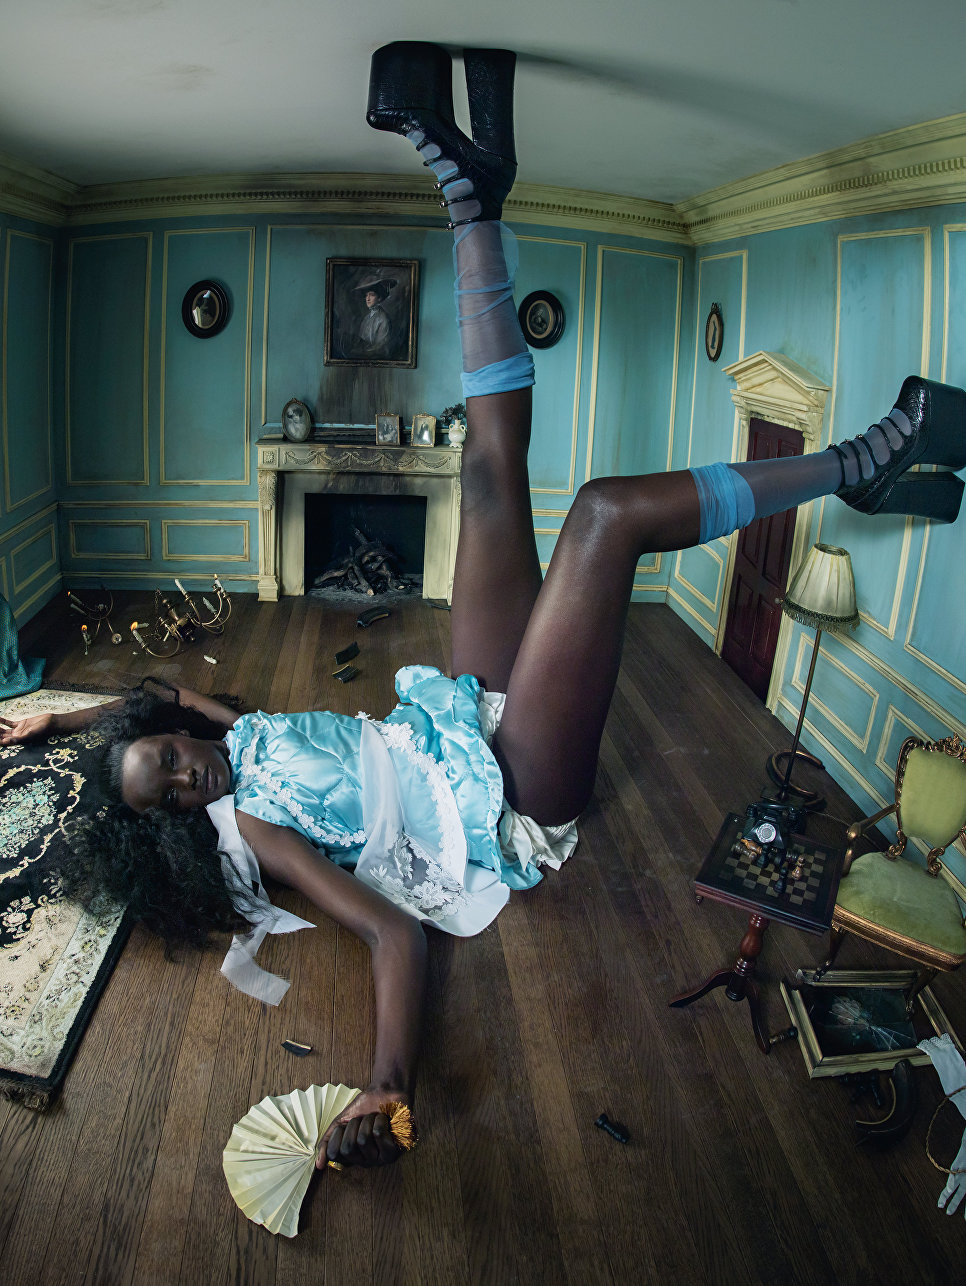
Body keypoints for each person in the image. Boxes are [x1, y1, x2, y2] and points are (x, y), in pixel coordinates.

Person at [4, 41, 966, 1173]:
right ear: (176, 826)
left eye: (166, 757)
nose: (183, 775)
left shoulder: (229, 736)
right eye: (167, 792)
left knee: (486, 470)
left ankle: (476, 199)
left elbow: (162, 688)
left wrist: (69, 718)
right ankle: (864, 463)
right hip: (508, 794)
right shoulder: (250, 829)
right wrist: (387, 1080)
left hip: (456, 717)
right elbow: (388, 931)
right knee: (603, 516)